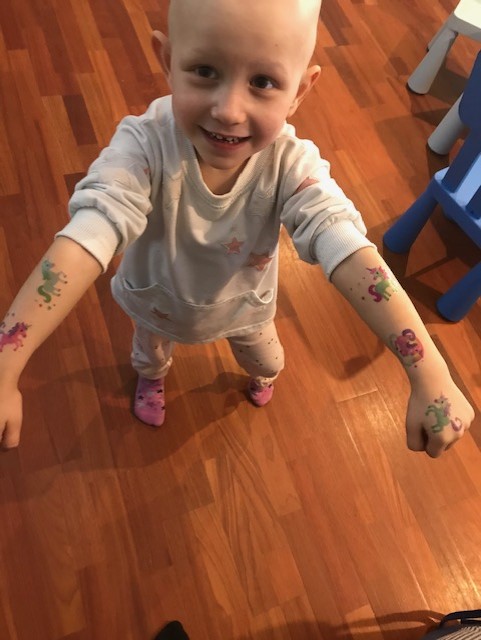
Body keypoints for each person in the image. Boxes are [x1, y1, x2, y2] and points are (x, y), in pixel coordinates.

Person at [0, 0, 474, 456]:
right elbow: (91, 230)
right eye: (205, 70)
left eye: (263, 81)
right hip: (155, 302)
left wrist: (429, 371)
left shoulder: (291, 166)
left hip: (245, 309)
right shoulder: (143, 146)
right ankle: (152, 379)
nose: (228, 109)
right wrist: (6, 363)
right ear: (167, 60)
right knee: (148, 357)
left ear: (300, 91)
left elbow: (345, 246)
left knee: (268, 361)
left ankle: (259, 376)